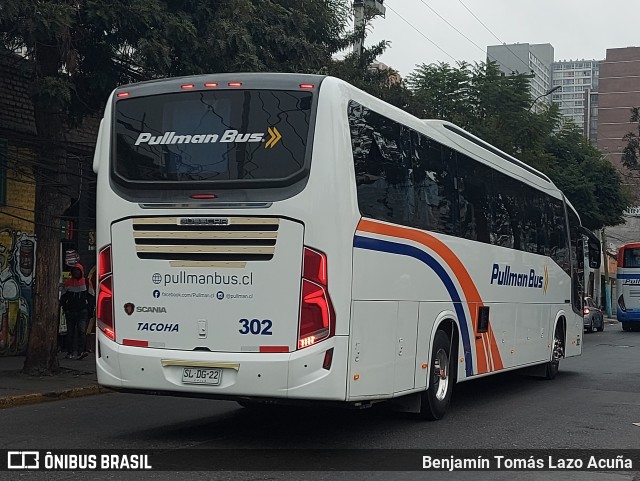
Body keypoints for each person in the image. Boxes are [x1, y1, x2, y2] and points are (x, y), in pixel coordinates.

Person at [60, 263, 95, 360]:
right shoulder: (67, 283)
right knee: (70, 333)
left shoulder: (87, 282)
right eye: (74, 270)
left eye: (78, 270)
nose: (76, 272)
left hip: (82, 311)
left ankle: (81, 351)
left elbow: (91, 296)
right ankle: (70, 352)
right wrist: (65, 308)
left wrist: (90, 309)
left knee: (81, 332)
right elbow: (63, 298)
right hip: (71, 311)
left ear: (81, 271)